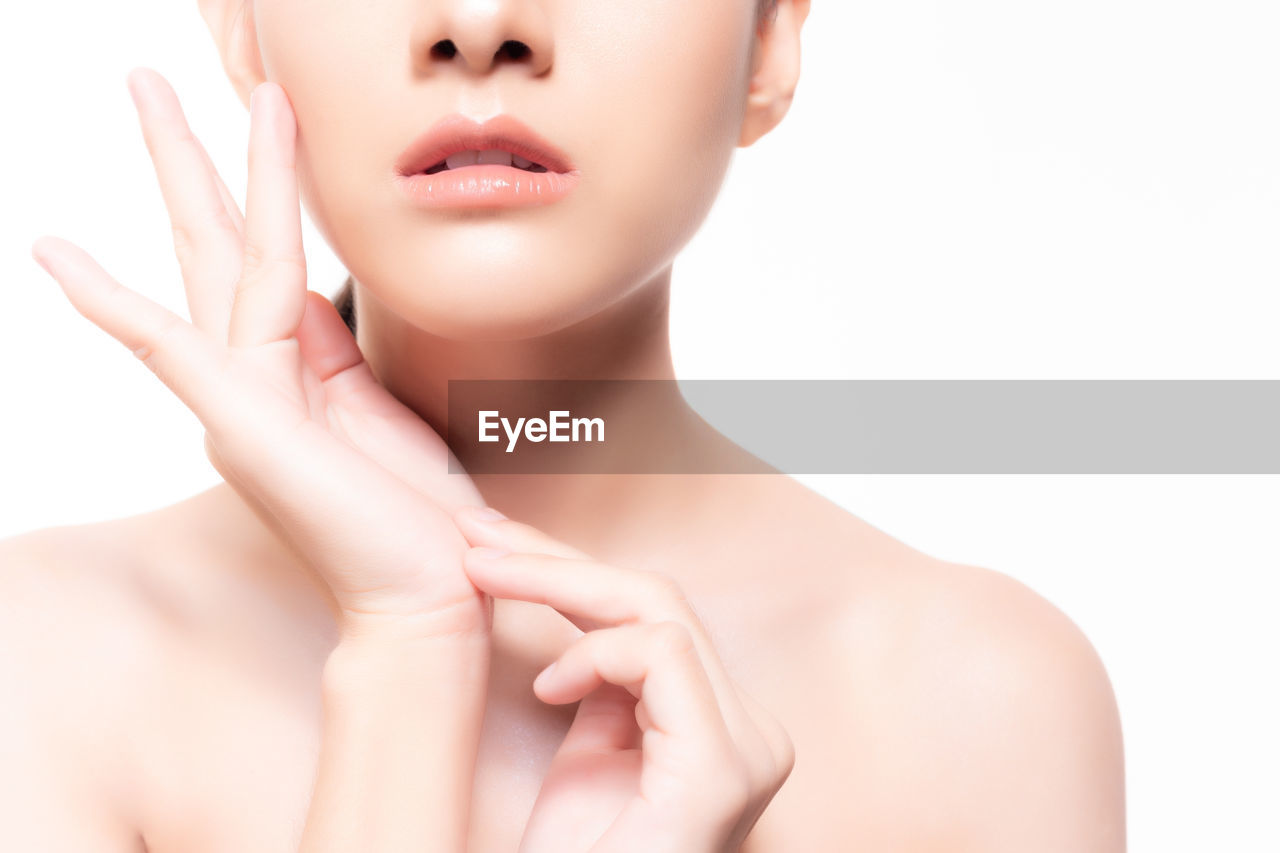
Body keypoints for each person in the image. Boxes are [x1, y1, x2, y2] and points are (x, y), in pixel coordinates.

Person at [5, 0, 1126, 849]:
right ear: (244, 27)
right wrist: (408, 652)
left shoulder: (975, 697)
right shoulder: (43, 657)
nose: (481, 28)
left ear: (770, 41)